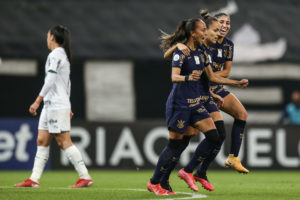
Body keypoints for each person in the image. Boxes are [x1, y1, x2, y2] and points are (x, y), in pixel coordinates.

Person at [147, 18, 248, 196]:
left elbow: (213, 77)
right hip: (180, 104)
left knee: (215, 136)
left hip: (196, 103)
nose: (210, 33)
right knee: (176, 144)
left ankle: (189, 171)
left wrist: (236, 83)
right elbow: (174, 76)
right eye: (204, 30)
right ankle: (155, 181)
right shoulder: (182, 51)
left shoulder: (202, 51)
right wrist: (187, 76)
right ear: (194, 33)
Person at [15, 25, 93, 188]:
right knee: (42, 140)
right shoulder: (61, 55)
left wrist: (37, 101)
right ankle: (34, 179)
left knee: (63, 142)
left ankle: (84, 176)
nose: (46, 37)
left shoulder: (56, 55)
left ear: (52, 37)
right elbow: (67, 83)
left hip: (56, 105)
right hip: (51, 105)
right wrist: (67, 103)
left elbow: (50, 80)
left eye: (47, 35)